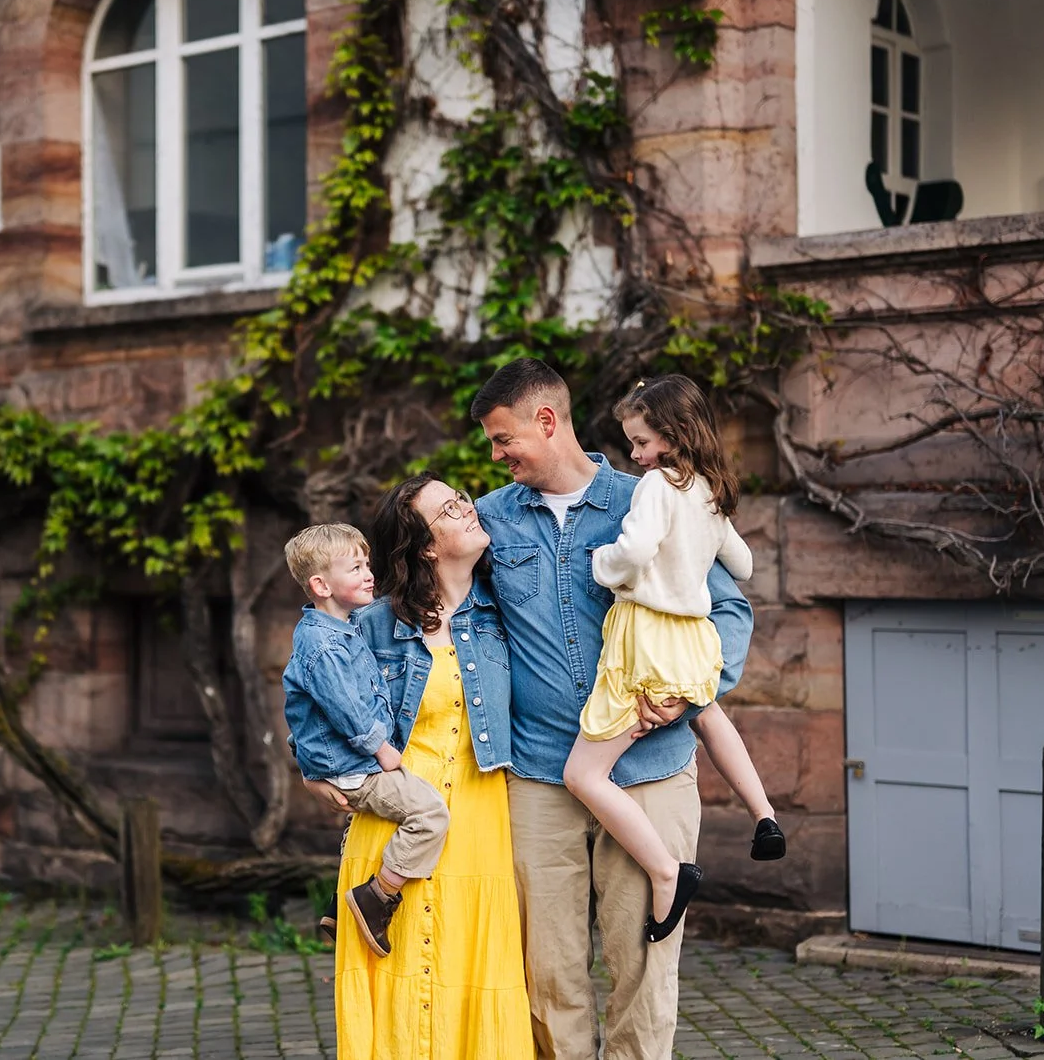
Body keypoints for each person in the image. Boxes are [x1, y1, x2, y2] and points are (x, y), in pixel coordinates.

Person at [471, 359, 753, 1060]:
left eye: (503, 438)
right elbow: (442, 615)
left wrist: (692, 691)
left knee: (643, 965)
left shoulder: (654, 496)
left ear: (547, 420)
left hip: (649, 769)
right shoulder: (488, 520)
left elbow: (729, 608)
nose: (496, 454)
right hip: (539, 773)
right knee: (547, 970)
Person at [305, 475, 534, 1059]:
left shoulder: (508, 614)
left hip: (481, 821)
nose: (468, 507)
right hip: (395, 820)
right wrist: (309, 766)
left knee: (472, 967)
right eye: (450, 508)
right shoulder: (373, 623)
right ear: (427, 546)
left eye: (462, 498)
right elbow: (315, 686)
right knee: (397, 974)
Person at [561, 375, 782, 947]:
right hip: (693, 637)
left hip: (649, 636)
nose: (633, 455)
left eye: (640, 442)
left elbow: (632, 552)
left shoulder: (656, 485)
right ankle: (764, 814)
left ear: (674, 435)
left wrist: (601, 563)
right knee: (706, 714)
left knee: (583, 773)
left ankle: (667, 871)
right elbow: (745, 563)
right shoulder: (708, 491)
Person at [281, 523, 450, 958]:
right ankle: (377, 896)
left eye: (367, 565)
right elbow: (346, 709)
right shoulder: (324, 645)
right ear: (321, 585)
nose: (369, 574)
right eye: (355, 568)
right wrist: (383, 750)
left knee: (368, 830)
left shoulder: (344, 625)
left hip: (348, 763)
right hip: (356, 765)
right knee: (430, 814)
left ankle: (339, 906)